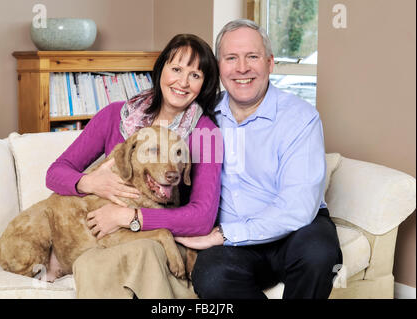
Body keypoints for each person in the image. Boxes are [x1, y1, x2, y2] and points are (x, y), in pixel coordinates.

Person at [175, 19, 343, 299]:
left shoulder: (300, 117)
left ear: (270, 63)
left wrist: (225, 235)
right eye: (231, 58)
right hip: (237, 246)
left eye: (252, 57)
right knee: (211, 275)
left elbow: (298, 207)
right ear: (218, 66)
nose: (242, 68)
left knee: (318, 254)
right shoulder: (202, 117)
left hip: (295, 232)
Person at [45, 34, 223, 298]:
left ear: (204, 83)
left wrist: (130, 218)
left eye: (195, 75)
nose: (182, 82)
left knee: (136, 254)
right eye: (176, 69)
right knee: (90, 261)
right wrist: (89, 182)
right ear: (161, 68)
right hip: (107, 239)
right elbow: (55, 172)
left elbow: (202, 218)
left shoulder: (207, 134)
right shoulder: (114, 115)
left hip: (156, 241)